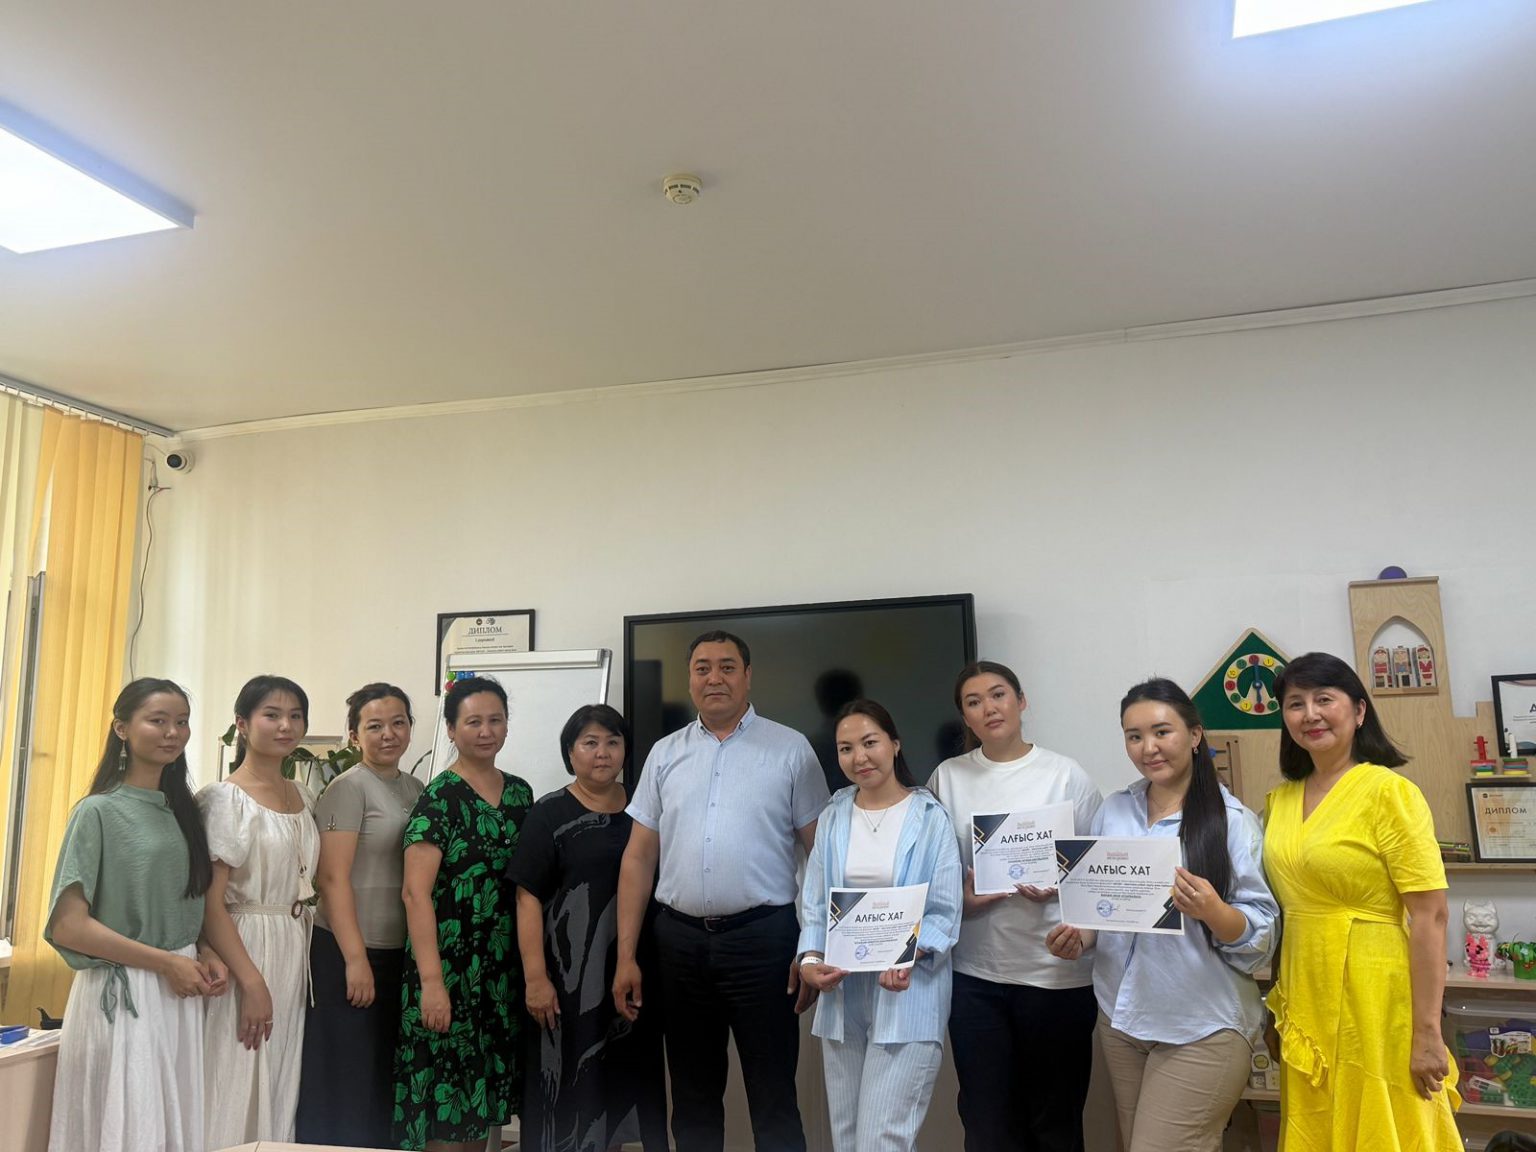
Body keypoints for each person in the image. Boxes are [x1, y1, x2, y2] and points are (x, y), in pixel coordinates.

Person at [613, 629, 831, 1152]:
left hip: (765, 941)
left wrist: (813, 948)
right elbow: (638, 858)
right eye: (703, 668)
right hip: (679, 945)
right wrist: (626, 956)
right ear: (690, 679)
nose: (715, 678)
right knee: (692, 1098)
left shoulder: (791, 749)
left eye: (728, 667)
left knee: (773, 1095)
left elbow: (822, 856)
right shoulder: (664, 754)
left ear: (747, 676)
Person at [1045, 679, 1279, 1152]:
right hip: (1122, 1018)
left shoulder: (1232, 821)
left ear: (1194, 735)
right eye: (1134, 736)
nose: (1147, 747)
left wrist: (1214, 911)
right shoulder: (1115, 811)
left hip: (1201, 1025)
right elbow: (1102, 907)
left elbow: (1261, 938)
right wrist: (1081, 937)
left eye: (1161, 732)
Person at [1262, 651, 1460, 1148]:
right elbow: (1283, 910)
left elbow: (1431, 916)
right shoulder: (1279, 801)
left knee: (1386, 1122)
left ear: (1358, 711)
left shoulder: (1390, 792)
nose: (1310, 714)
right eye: (1295, 703)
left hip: (1376, 994)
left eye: (1324, 699)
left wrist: (1428, 1032)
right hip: (1304, 987)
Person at [927, 660, 1101, 1152]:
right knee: (987, 1126)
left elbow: (1098, 873)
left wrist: (1061, 886)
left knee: (1055, 1124)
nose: (989, 708)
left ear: (1021, 701)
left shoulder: (1066, 775)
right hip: (976, 978)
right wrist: (961, 900)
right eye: (973, 702)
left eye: (998, 694)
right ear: (965, 716)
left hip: (1055, 975)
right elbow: (935, 876)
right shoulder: (948, 778)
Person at [44, 678, 223, 1152]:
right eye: (157, 720)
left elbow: (183, 900)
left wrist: (204, 950)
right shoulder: (98, 812)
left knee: (169, 1128)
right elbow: (68, 926)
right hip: (124, 993)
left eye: (181, 722)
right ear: (122, 728)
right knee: (127, 1130)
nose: (173, 732)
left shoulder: (184, 811)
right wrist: (167, 962)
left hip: (179, 990)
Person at [796, 699, 963, 1152]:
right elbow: (816, 903)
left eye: (870, 743)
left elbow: (944, 911)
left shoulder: (929, 818)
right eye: (846, 748)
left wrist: (908, 954)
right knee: (848, 1138)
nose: (859, 757)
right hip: (842, 994)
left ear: (895, 744)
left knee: (881, 1141)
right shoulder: (834, 816)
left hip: (907, 992)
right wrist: (809, 960)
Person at [508, 704, 668, 1152]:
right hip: (570, 981)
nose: (603, 753)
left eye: (613, 742)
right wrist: (535, 977)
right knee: (573, 1089)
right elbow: (526, 897)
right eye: (590, 743)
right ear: (570, 752)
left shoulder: (646, 808)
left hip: (636, 971)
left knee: (624, 1084)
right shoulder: (549, 813)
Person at [393, 676, 534, 1152]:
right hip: (448, 969)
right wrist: (432, 983)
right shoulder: (439, 797)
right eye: (473, 722)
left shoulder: (520, 794)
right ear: (451, 730)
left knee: (481, 1108)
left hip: (499, 972)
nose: (486, 731)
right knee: (447, 1107)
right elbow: (415, 894)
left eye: (496, 720)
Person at [296, 683, 425, 1146]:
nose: (388, 734)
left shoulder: (415, 788)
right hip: (348, 953)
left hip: (396, 954)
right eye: (374, 726)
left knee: (383, 1080)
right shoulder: (348, 788)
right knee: (346, 1081)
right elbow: (332, 879)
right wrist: (355, 960)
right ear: (354, 735)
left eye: (398, 723)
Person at [198, 674, 320, 1148]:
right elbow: (211, 904)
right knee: (234, 1074)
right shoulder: (224, 799)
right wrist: (250, 981)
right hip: (244, 945)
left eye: (295, 715)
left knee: (278, 1077)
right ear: (243, 724)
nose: (285, 725)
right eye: (272, 715)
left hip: (292, 945)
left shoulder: (303, 796)